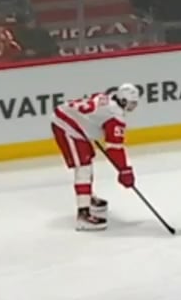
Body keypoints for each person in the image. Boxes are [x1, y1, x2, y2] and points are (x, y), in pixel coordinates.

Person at [51, 83, 140, 230]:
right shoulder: (115, 117)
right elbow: (114, 149)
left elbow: (92, 106)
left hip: (69, 119)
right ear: (123, 101)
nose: (133, 107)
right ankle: (83, 215)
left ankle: (87, 197)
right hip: (66, 126)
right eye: (131, 104)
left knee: (86, 160)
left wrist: (90, 127)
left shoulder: (108, 98)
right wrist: (125, 170)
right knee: (83, 167)